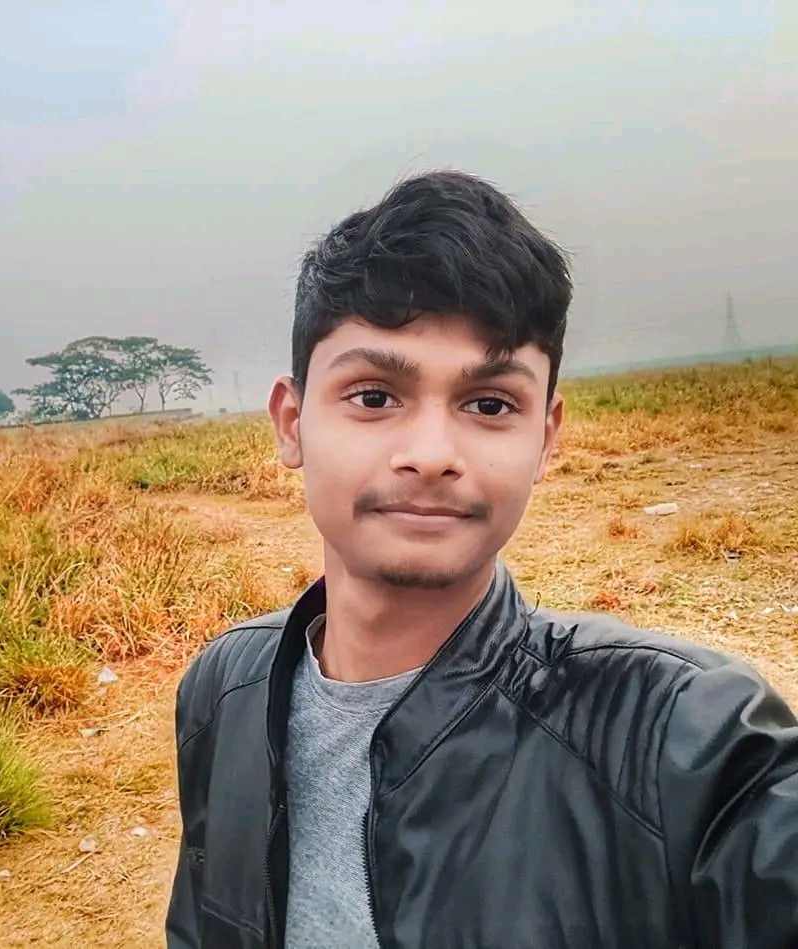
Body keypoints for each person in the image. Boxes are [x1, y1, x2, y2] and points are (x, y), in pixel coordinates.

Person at [165, 171, 798, 948]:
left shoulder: (681, 738)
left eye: (490, 404)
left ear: (546, 438)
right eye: (374, 396)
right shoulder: (224, 690)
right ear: (292, 423)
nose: (431, 454)